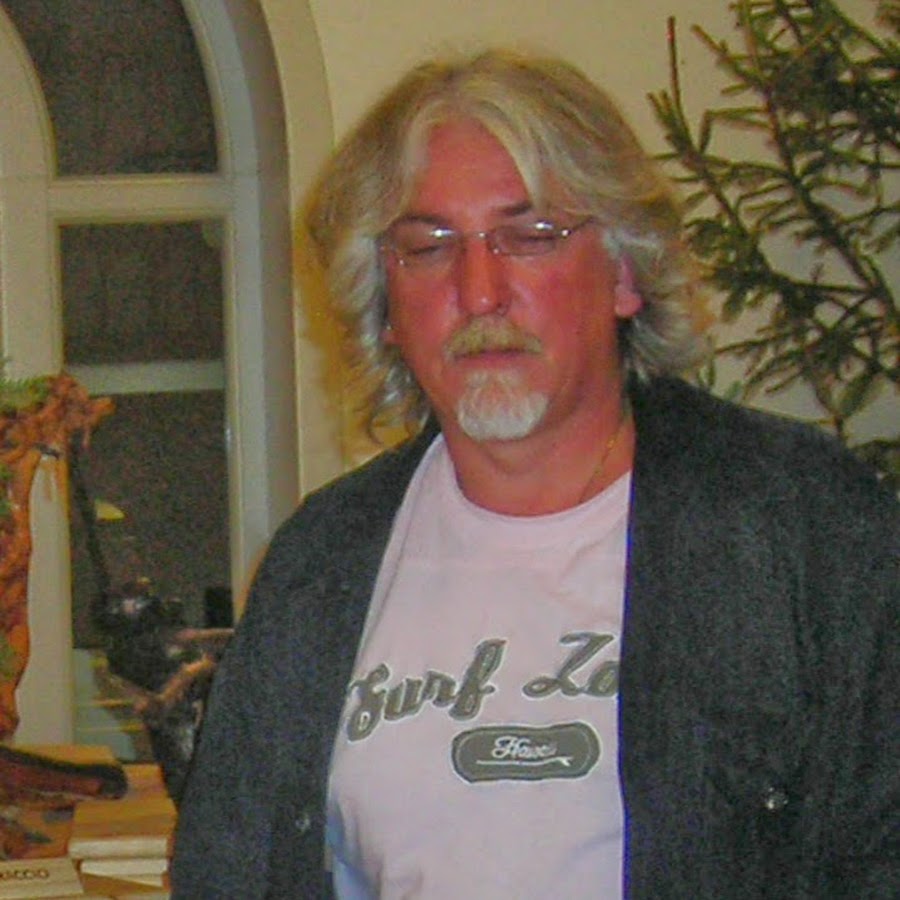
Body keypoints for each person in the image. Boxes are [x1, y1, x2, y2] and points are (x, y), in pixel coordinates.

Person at [170, 49, 898, 899]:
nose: (480, 292)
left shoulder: (805, 529)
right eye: (428, 248)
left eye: (531, 237)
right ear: (387, 305)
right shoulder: (319, 563)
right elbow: (227, 872)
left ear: (624, 273)